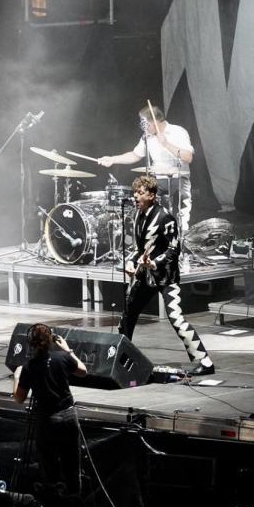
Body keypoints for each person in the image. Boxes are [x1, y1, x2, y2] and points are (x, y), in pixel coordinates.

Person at [120, 174, 215, 376]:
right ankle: (120, 357)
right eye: (135, 192)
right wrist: (130, 260)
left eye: (141, 193)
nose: (136, 196)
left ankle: (205, 361)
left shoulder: (165, 218)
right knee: (128, 314)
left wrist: (154, 262)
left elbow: (174, 251)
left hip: (165, 277)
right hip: (146, 276)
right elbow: (139, 247)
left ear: (152, 195)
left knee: (176, 318)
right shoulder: (138, 215)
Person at [13, 323, 87, 494]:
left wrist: (17, 377)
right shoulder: (63, 358)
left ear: (30, 343)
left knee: (49, 468)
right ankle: (75, 501)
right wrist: (68, 350)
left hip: (47, 420)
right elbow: (83, 371)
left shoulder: (29, 367)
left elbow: (19, 398)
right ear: (51, 340)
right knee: (72, 467)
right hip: (68, 416)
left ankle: (52, 501)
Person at [98, 104, 194, 233]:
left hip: (178, 180)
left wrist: (166, 143)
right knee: (145, 211)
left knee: (178, 219)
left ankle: (179, 244)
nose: (143, 127)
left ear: (154, 121)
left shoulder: (178, 131)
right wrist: (112, 159)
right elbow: (135, 155)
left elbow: (188, 157)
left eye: (145, 123)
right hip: (158, 180)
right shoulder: (147, 136)